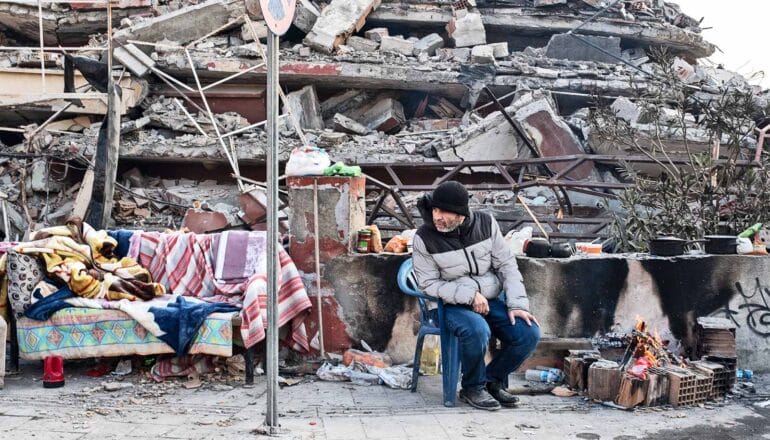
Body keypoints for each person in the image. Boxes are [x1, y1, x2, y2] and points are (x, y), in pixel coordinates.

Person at [412, 181, 540, 411]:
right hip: (448, 305)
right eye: (435, 210)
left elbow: (507, 265)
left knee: (528, 332)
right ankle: (472, 387)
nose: (437, 217)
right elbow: (428, 284)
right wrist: (469, 295)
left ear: (461, 214)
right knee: (477, 329)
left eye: (444, 212)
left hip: (488, 300)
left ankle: (490, 381)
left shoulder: (485, 223)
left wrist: (517, 304)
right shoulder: (424, 237)